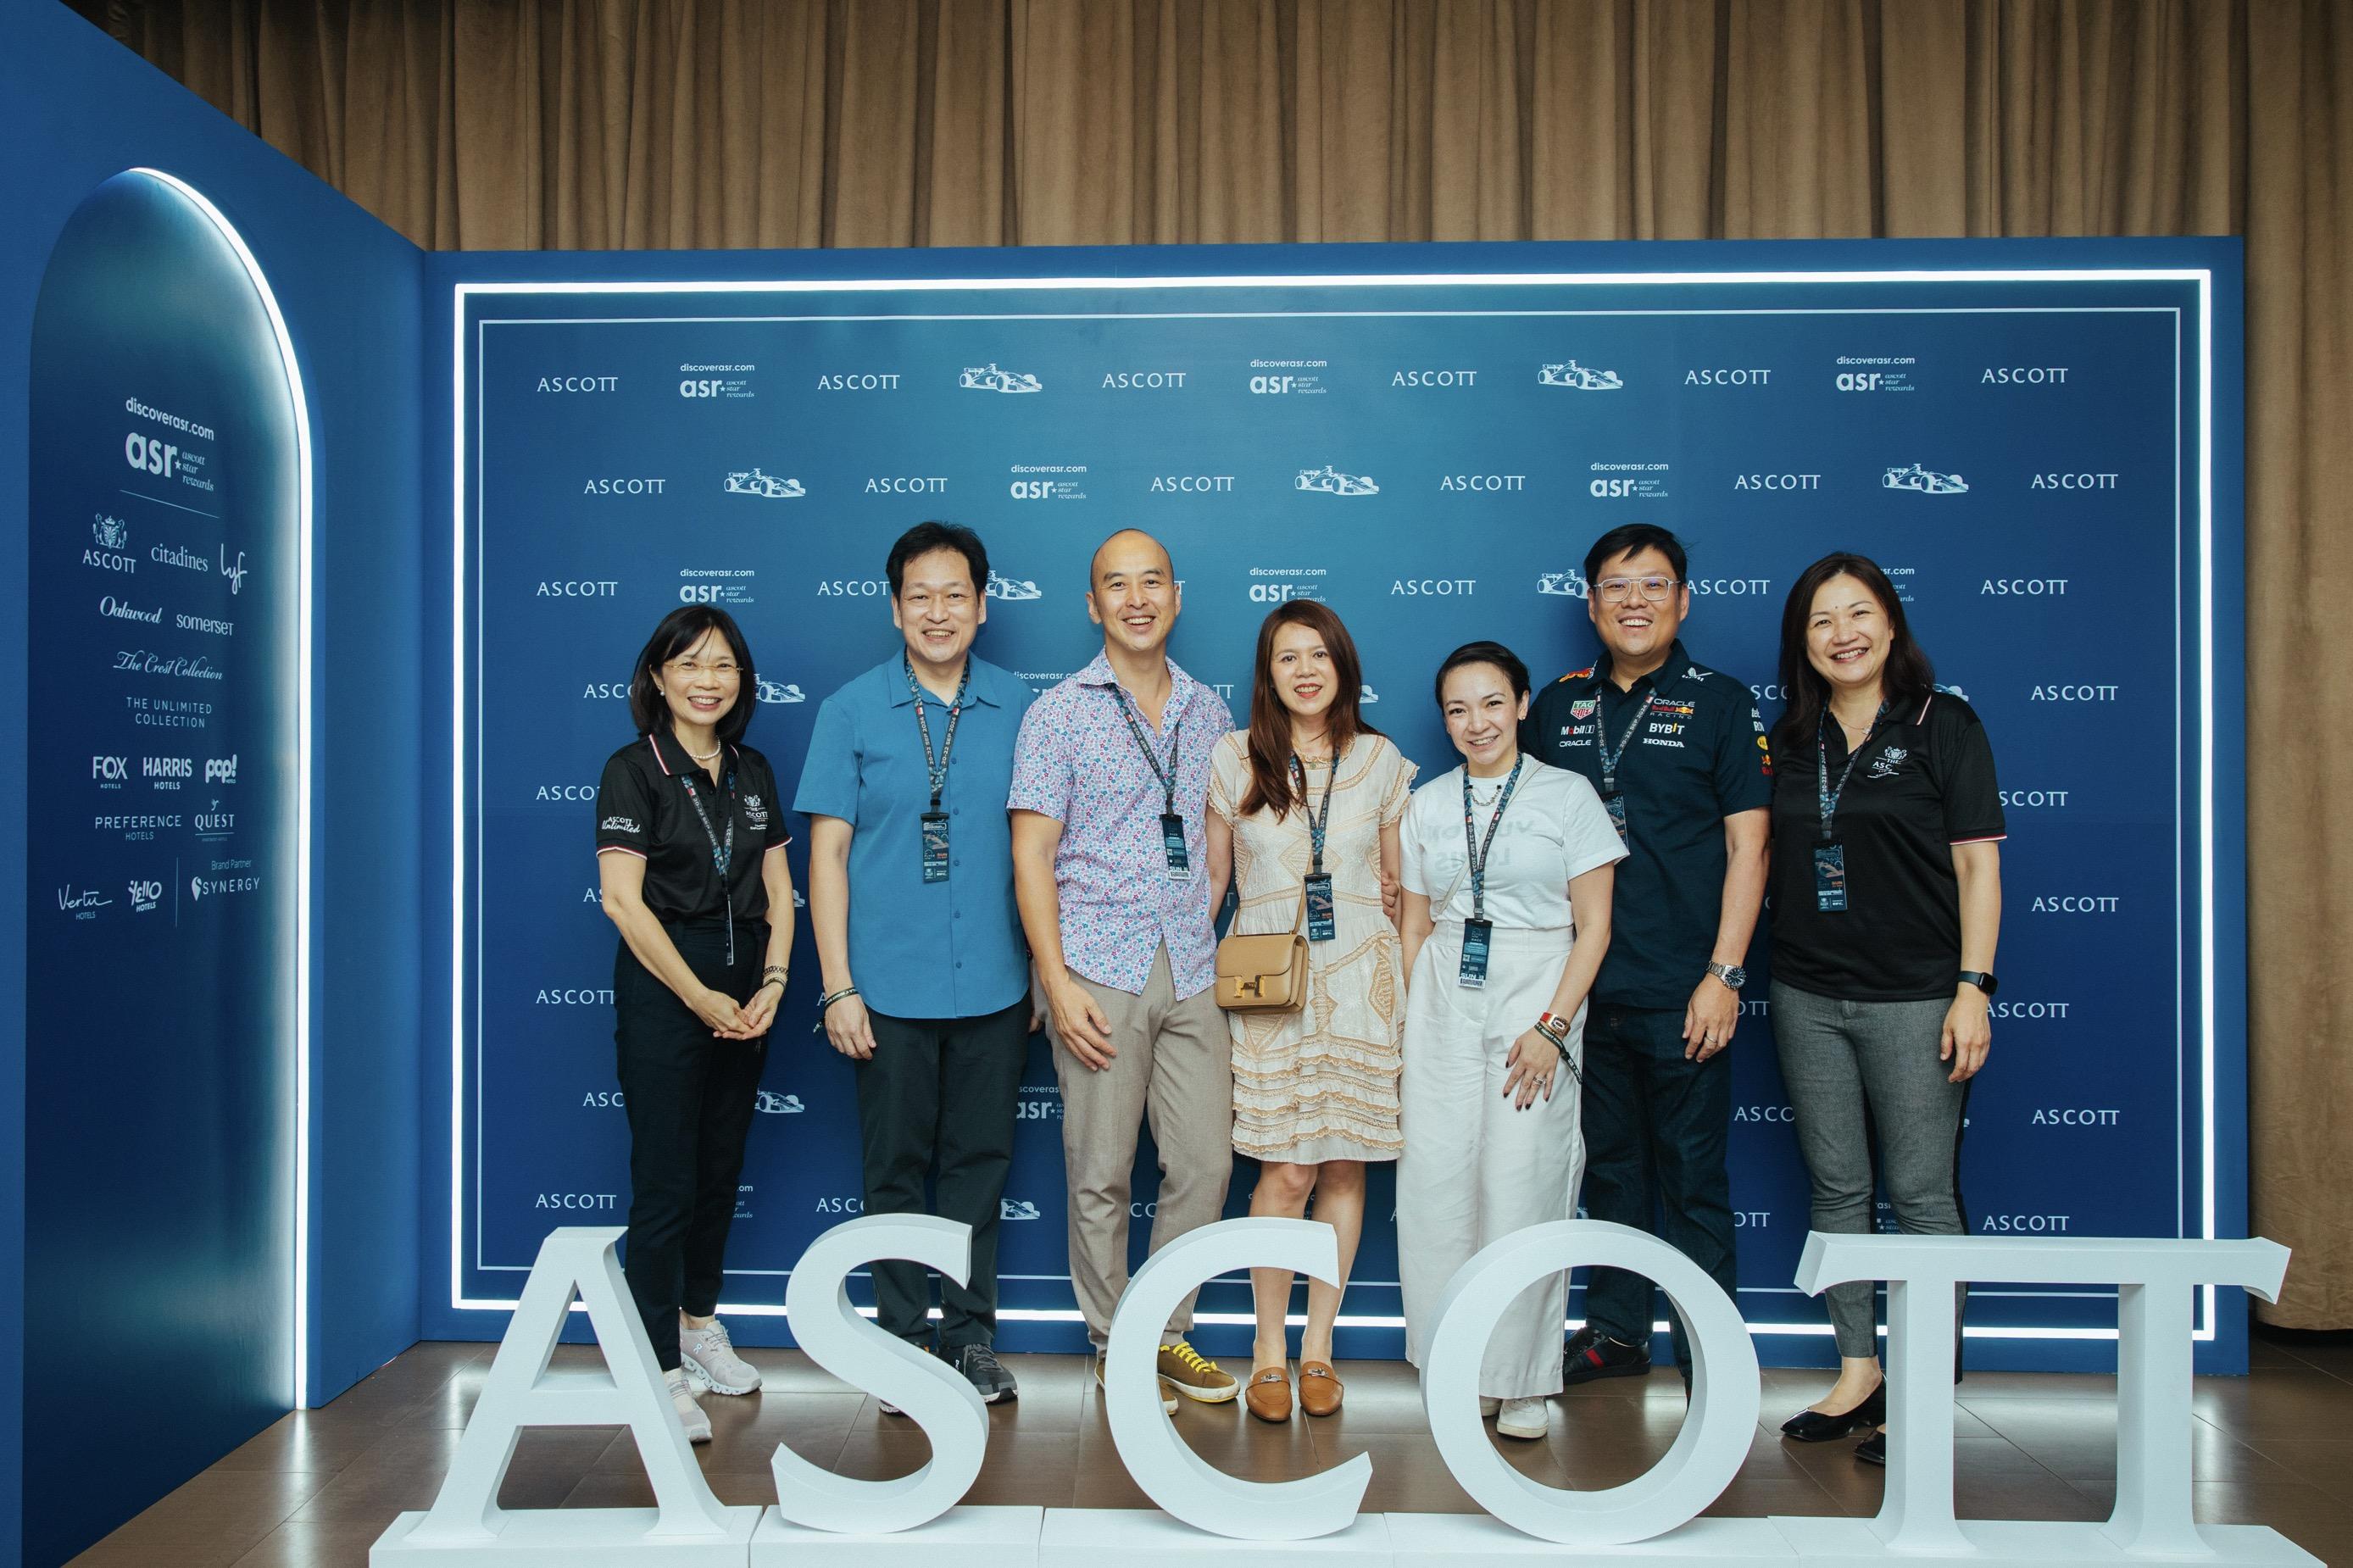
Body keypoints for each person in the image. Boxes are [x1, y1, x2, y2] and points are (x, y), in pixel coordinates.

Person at [1519, 525, 1771, 1393]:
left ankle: (1713, 1351)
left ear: (1683, 599)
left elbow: (1751, 848)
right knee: (1613, 1172)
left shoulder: (1722, 703)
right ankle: (1618, 1330)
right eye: (1616, 587)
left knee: (1693, 1178)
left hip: (1684, 989)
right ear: (1589, 602)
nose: (1634, 601)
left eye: (1653, 584)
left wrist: (1724, 973)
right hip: (1585, 989)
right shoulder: (1556, 705)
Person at [1766, 552, 2001, 1468]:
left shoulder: (1945, 725)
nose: (1842, 634)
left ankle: (1924, 1389)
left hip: (1918, 995)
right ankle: (1858, 1369)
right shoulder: (1788, 737)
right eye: (1822, 620)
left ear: (1891, 625)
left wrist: (1971, 988)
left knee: (1921, 1197)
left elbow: (1979, 865)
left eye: (1858, 613)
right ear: (1803, 640)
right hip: (1806, 991)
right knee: (1835, 1190)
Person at [793, 521, 1037, 1406]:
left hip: (997, 984)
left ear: (983, 602)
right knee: (894, 1171)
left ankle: (970, 1339)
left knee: (979, 1163)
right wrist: (838, 984)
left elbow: (1043, 851)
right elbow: (824, 857)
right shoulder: (850, 710)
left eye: (955, 594)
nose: (939, 612)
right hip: (885, 988)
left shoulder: (1020, 704)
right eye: (920, 596)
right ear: (895, 607)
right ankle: (899, 1342)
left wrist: (1048, 971)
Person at [1008, 529, 1241, 1412]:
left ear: (1175, 596)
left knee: (1204, 1163)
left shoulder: (1209, 708)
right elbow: (1031, 856)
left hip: (1190, 967)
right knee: (1100, 1169)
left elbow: (1217, 843)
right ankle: (1114, 1341)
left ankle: (1162, 1330)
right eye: (1117, 583)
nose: (1136, 598)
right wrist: (1057, 981)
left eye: (1151, 582)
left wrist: (1201, 921)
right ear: (1092, 602)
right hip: (1096, 967)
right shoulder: (1057, 713)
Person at [1397, 641, 1625, 1442]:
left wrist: (1553, 1029)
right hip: (1442, 999)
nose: (1475, 722)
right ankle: (1453, 1363)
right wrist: (1413, 1020)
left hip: (1538, 992)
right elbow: (1416, 923)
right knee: (1435, 1188)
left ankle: (1522, 1379)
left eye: (1491, 703)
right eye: (1457, 709)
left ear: (1524, 705)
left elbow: (1594, 926)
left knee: (1523, 1187)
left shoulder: (1569, 797)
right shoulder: (1427, 802)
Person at [1204, 601, 1416, 1423]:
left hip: (1364, 984)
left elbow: (1401, 890)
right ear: (1267, 672)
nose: (1304, 670)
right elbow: (1213, 887)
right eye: (1287, 657)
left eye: (1318, 654)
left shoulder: (1381, 759)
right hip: (1270, 990)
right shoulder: (1232, 757)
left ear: (1342, 665)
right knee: (1283, 1170)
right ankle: (1266, 1349)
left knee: (1342, 1167)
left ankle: (1319, 1346)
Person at [594, 606, 797, 1444]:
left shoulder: (753, 770)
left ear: (741, 682)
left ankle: (698, 1323)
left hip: (749, 993)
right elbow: (621, 900)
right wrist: (695, 995)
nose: (708, 680)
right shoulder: (631, 769)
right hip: (666, 996)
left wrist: (776, 979)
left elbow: (780, 890)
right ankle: (656, 1364)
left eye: (724, 666)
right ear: (657, 676)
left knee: (720, 1169)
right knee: (668, 1180)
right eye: (691, 664)